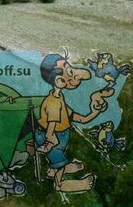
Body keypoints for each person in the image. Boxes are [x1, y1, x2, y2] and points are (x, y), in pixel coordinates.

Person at [35, 53, 115, 193]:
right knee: (58, 158)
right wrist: (50, 142)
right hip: (52, 136)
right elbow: (51, 127)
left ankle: (53, 170)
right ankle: (61, 184)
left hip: (61, 135)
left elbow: (81, 119)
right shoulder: (53, 102)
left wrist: (95, 111)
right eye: (69, 71)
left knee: (57, 158)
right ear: (59, 81)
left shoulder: (60, 100)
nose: (75, 74)